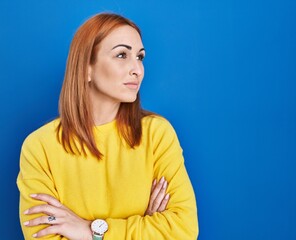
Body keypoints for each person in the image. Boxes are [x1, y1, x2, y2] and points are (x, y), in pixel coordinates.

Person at [17, 12, 198, 240]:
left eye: (140, 57)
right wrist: (146, 225)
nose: (138, 70)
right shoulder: (39, 147)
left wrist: (89, 230)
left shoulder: (157, 134)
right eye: (122, 55)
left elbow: (183, 230)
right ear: (86, 68)